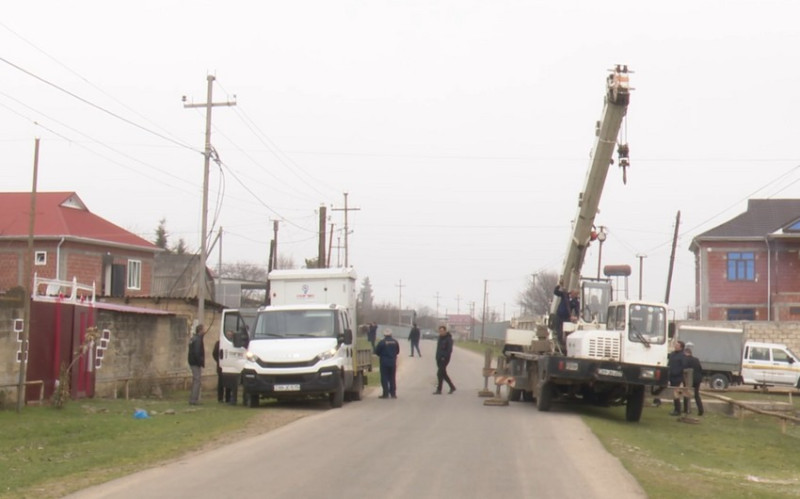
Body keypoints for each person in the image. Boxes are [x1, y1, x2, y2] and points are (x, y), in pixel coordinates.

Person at [374, 328, 400, 398]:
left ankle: (385, 394)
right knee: (392, 378)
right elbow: (397, 351)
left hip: (384, 362)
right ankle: (393, 394)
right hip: (392, 362)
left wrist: (382, 355)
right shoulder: (395, 342)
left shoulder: (382, 342)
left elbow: (377, 351)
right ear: (391, 334)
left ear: (384, 334)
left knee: (384, 378)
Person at [553, 281, 580, 346]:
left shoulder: (576, 301)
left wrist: (576, 317)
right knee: (559, 331)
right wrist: (559, 286)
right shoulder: (564, 295)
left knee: (567, 331)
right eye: (575, 294)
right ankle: (560, 344)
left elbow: (577, 310)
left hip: (567, 317)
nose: (575, 296)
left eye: (576, 295)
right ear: (572, 293)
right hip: (559, 316)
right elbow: (555, 292)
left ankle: (566, 344)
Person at [433, 325, 456, 394]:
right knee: (443, 374)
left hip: (444, 359)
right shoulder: (440, 338)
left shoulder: (448, 339)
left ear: (445, 331)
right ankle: (452, 387)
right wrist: (437, 357)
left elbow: (449, 350)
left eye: (442, 331)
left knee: (439, 373)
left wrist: (444, 356)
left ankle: (439, 389)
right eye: (440, 331)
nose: (441, 332)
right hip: (439, 358)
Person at [667, 340, 687, 416]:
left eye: (677, 345)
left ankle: (677, 410)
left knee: (676, 393)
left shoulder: (682, 355)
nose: (675, 346)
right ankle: (676, 409)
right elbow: (669, 363)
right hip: (670, 376)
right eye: (675, 345)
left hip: (677, 377)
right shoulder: (672, 354)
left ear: (681, 347)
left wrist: (676, 372)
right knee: (673, 393)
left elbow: (683, 366)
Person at [188, 324, 206, 405]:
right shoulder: (198, 339)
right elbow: (197, 352)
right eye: (203, 329)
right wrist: (200, 362)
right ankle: (193, 399)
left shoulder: (193, 338)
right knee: (197, 380)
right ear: (200, 330)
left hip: (192, 361)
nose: (204, 331)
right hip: (195, 362)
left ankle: (193, 398)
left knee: (196, 380)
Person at [684, 347, 704, 416]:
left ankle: (686, 409)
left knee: (686, 393)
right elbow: (700, 369)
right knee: (696, 395)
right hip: (698, 379)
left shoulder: (686, 360)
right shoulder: (696, 359)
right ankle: (701, 410)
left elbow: (684, 370)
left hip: (690, 379)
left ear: (686, 353)